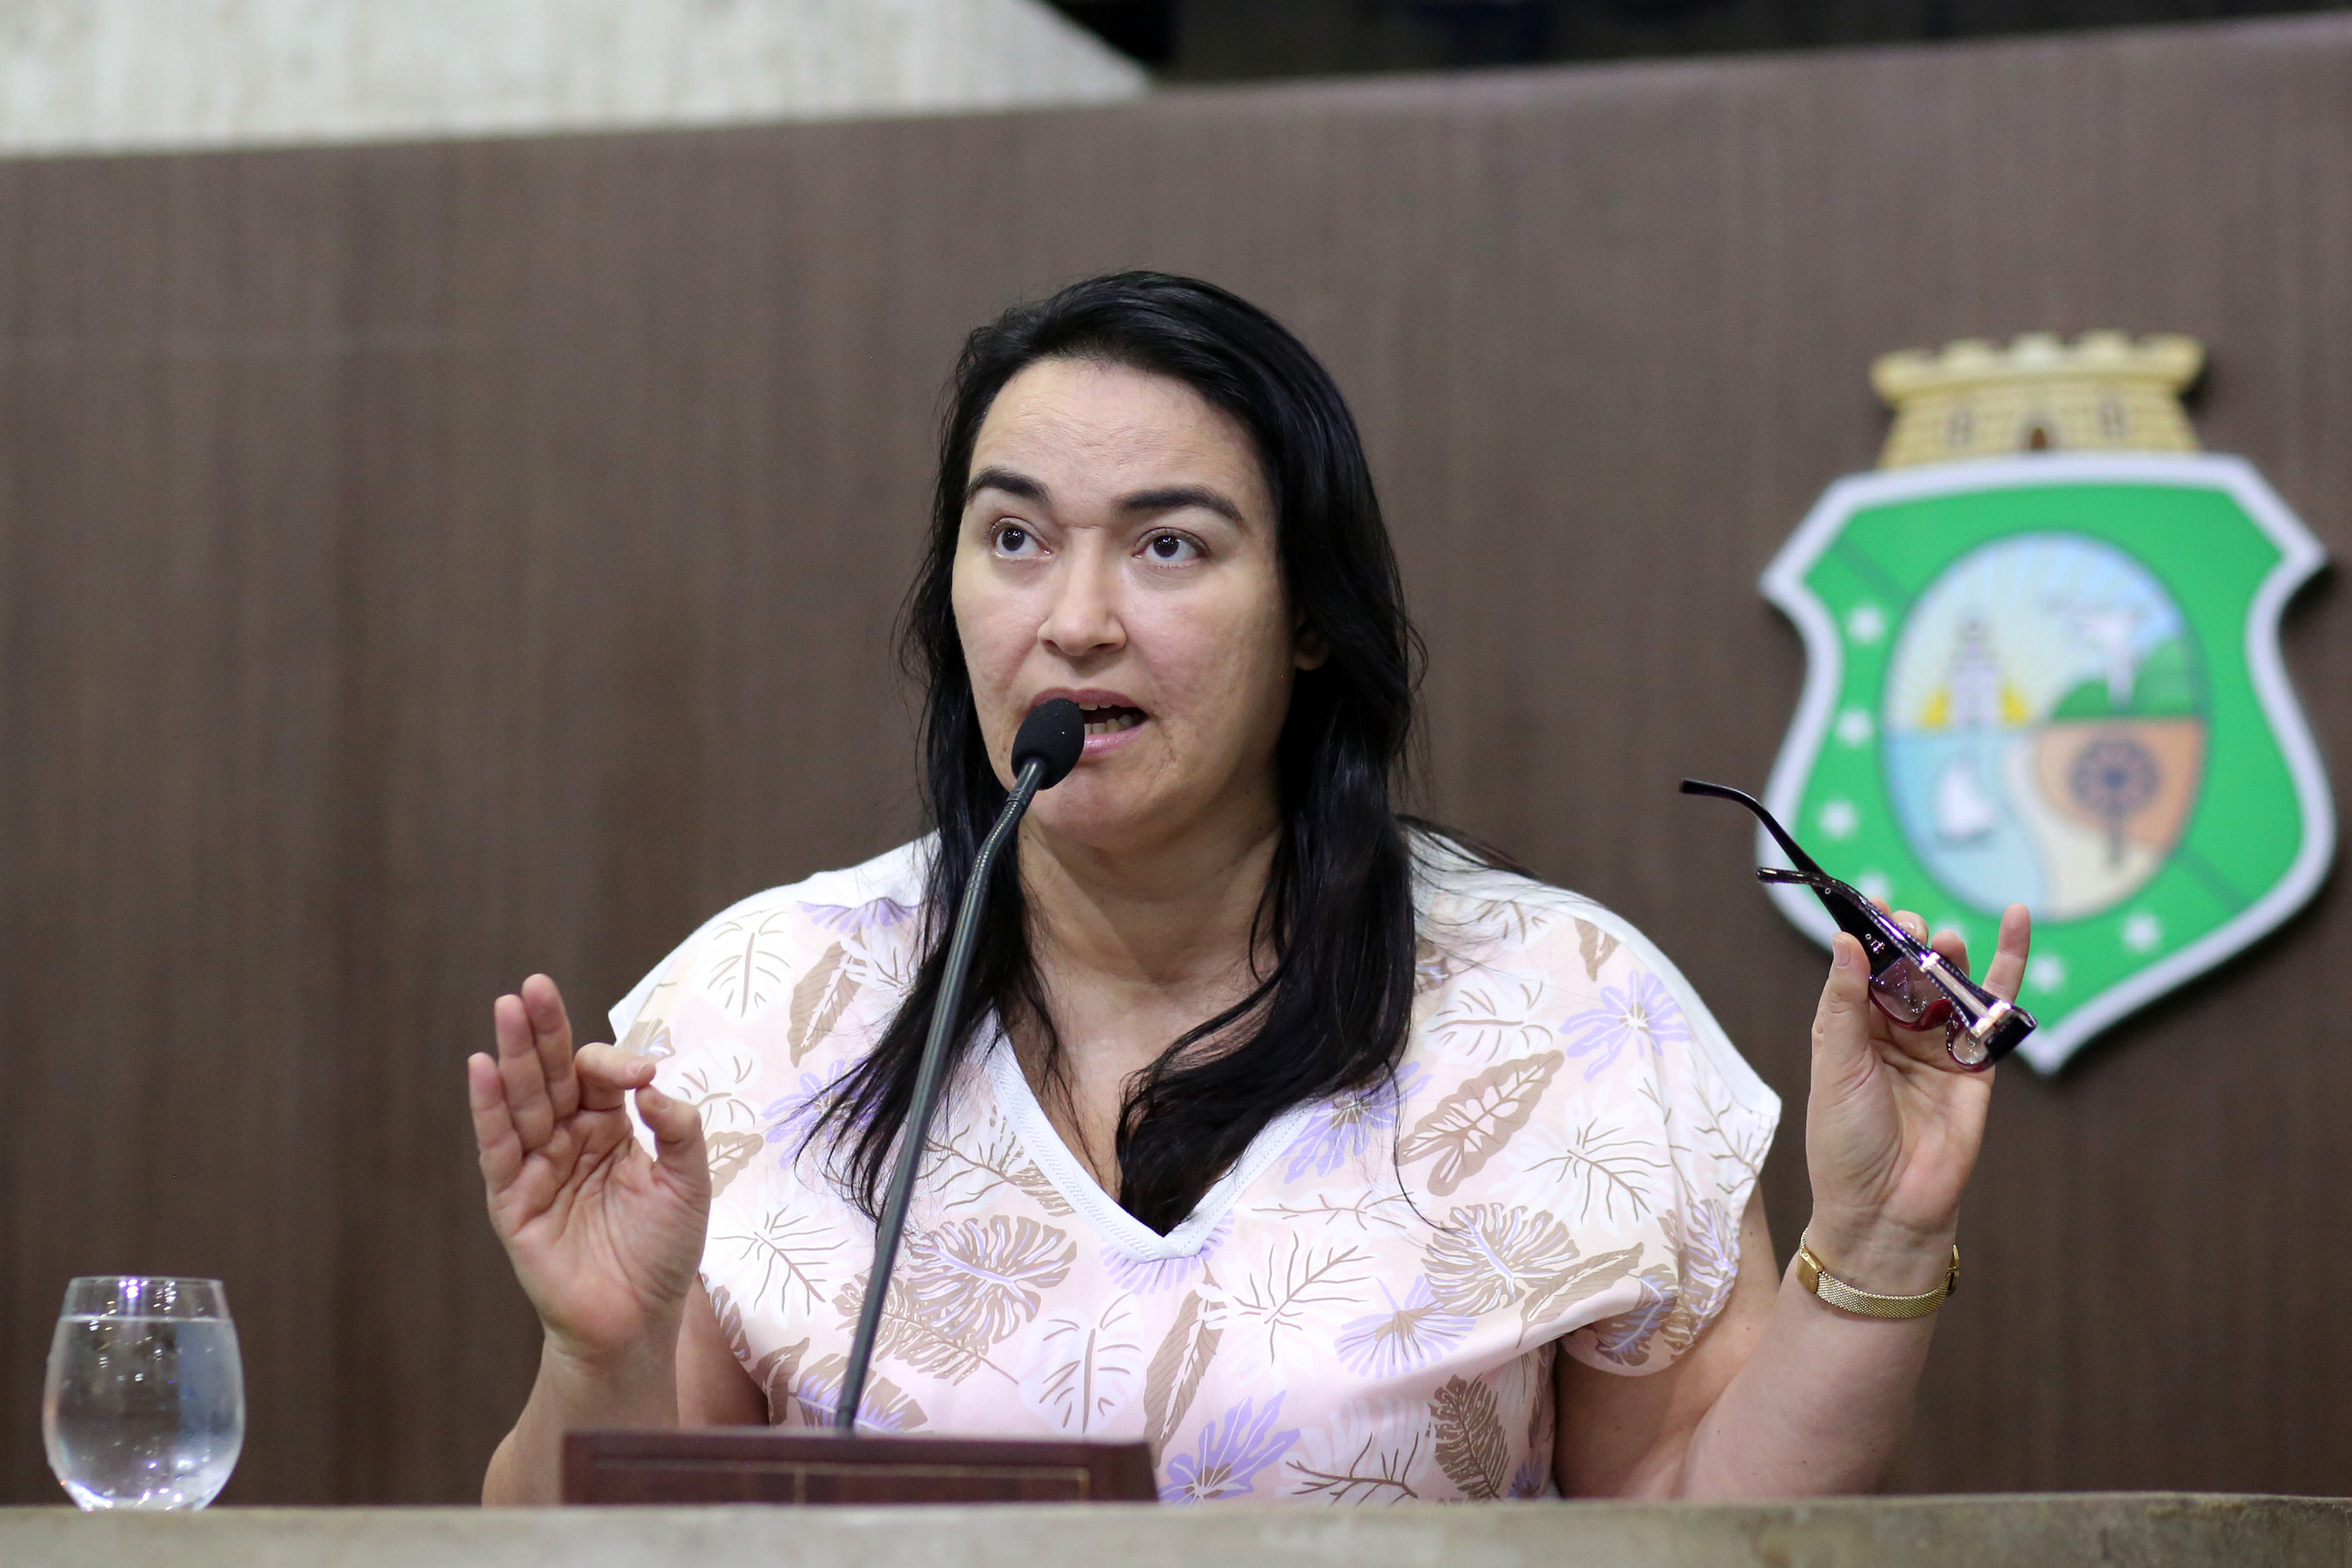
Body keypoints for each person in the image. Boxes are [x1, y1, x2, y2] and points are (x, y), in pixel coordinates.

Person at [468, 271, 2030, 1505]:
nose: (1075, 620)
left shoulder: (1563, 1007)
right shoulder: (756, 1008)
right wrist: (598, 1356)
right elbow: (609, 1551)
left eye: (1169, 546)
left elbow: (1703, 1525)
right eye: (1014, 536)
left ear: (1310, 618)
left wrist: (1879, 1248)